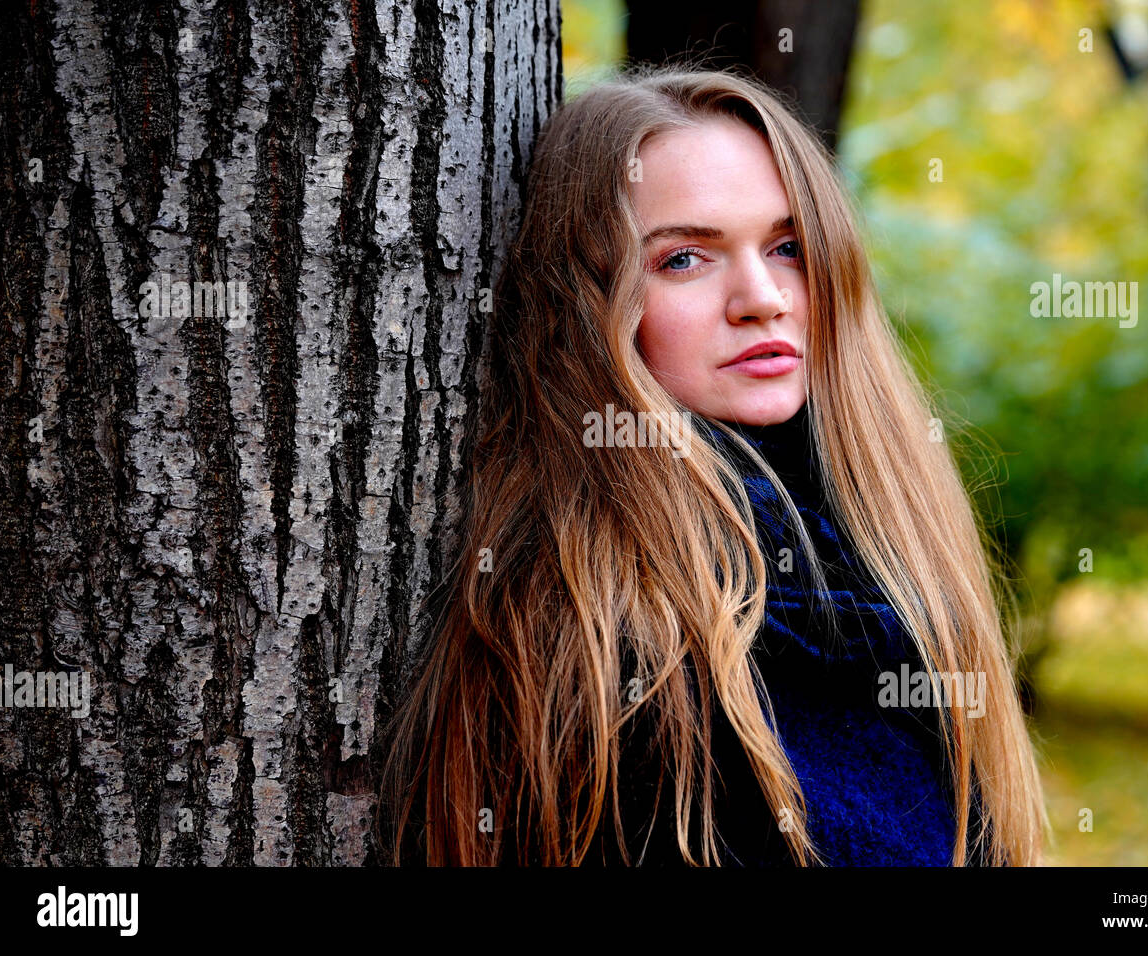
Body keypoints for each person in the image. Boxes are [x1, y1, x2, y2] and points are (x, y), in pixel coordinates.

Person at [379, 64, 1047, 866]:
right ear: (590, 312)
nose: (762, 297)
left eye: (789, 246)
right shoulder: (605, 642)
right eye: (684, 260)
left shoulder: (897, 556)